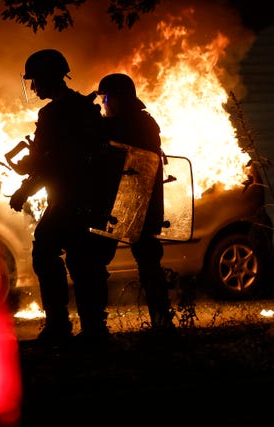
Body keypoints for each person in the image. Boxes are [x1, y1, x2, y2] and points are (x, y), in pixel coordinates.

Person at [9, 49, 118, 347]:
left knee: (46, 253)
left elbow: (48, 164)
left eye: (36, 80)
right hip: (91, 200)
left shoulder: (53, 114)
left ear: (48, 78)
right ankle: (94, 328)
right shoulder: (85, 108)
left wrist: (23, 189)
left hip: (70, 200)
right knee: (84, 262)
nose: (34, 87)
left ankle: (60, 326)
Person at [96, 73, 175, 330]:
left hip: (132, 204)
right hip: (136, 204)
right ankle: (162, 323)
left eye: (106, 98)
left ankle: (97, 327)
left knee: (97, 262)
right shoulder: (145, 122)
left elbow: (112, 143)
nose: (105, 104)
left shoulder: (130, 125)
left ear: (117, 98)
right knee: (148, 264)